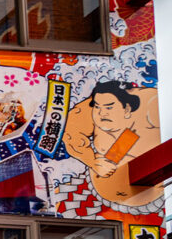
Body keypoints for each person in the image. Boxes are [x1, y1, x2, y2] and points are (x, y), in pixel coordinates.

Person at [63, 79, 161, 210]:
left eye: (109, 107)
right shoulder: (90, 107)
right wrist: (92, 161)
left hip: (150, 196)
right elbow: (70, 135)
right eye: (98, 107)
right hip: (102, 197)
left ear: (127, 108)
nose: (102, 113)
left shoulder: (149, 103)